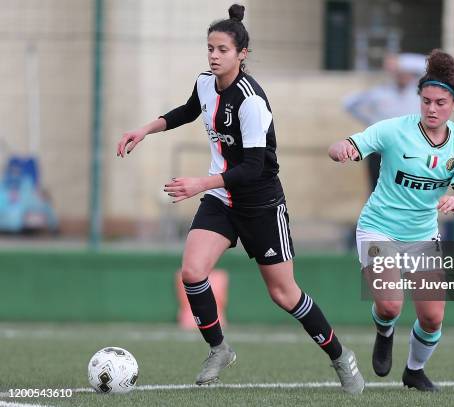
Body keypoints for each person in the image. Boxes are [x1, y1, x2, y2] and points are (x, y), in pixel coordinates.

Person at [116, 4, 364, 395]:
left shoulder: (251, 101)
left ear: (241, 54)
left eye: (222, 50)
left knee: (284, 293)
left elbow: (252, 168)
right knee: (193, 272)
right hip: (221, 198)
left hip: (261, 203)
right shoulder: (204, 82)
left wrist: (200, 182)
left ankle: (339, 355)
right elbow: (187, 110)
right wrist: (144, 129)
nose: (214, 55)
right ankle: (219, 349)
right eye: (210, 48)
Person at [328, 49, 454, 391]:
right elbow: (347, 143)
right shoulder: (394, 130)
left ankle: (414, 370)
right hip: (379, 228)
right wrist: (343, 150)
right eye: (426, 101)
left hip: (423, 234)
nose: (431, 109)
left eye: (440, 102)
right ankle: (384, 329)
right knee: (391, 305)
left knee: (432, 317)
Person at [344, 53, 426, 191]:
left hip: (408, 150)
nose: (403, 76)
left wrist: (400, 61)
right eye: (400, 72)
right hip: (381, 150)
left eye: (406, 72)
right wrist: (370, 121)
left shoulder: (418, 93)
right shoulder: (381, 92)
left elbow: (428, 66)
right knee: (377, 189)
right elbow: (349, 103)